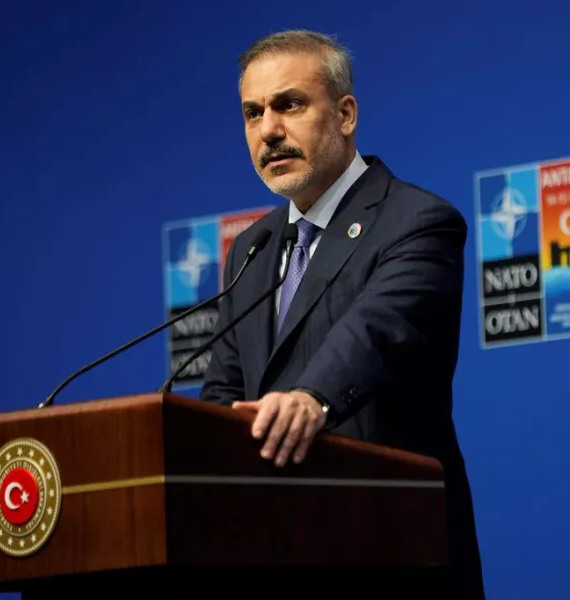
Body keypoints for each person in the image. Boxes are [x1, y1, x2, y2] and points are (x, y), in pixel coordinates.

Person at [200, 29, 485, 599]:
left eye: (289, 105)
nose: (268, 130)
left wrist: (312, 397)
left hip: (392, 553)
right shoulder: (251, 249)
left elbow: (377, 332)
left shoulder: (416, 222)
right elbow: (224, 392)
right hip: (276, 556)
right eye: (253, 113)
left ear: (346, 114)